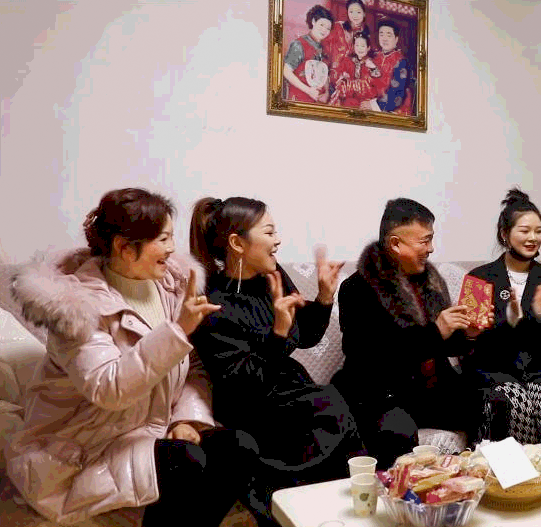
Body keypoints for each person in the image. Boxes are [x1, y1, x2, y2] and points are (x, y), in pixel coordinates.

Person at [4, 188, 258, 526]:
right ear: (125, 248)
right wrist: (178, 331)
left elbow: (192, 368)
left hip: (149, 432)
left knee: (239, 447)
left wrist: (185, 421)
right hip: (83, 450)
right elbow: (108, 388)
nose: (172, 248)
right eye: (163, 239)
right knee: (184, 463)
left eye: (172, 237)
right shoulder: (76, 309)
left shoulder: (170, 287)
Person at [188, 197, 365, 524]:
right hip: (251, 405)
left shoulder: (273, 276)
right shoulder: (213, 305)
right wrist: (278, 334)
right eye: (269, 232)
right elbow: (241, 384)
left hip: (286, 389)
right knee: (327, 405)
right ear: (237, 243)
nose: (278, 240)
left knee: (332, 402)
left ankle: (350, 511)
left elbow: (305, 335)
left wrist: (325, 296)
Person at [332, 198, 489, 467]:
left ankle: (478, 478)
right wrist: (436, 331)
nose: (431, 248)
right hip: (381, 393)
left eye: (431, 239)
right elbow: (370, 355)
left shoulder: (428, 283)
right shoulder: (357, 289)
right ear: (396, 244)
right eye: (424, 241)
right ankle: (396, 491)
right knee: (396, 428)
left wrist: (469, 333)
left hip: (428, 390)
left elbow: (444, 343)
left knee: (490, 401)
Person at [464, 189, 541, 443]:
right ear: (505, 234)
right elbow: (472, 340)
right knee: (516, 403)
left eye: (538, 231)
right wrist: (509, 321)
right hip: (494, 372)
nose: (533, 238)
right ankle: (519, 468)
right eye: (525, 231)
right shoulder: (479, 279)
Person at [283, 5, 333, 103]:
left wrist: (327, 93)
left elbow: (325, 73)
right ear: (313, 21)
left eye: (328, 28)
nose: (324, 30)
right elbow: (286, 71)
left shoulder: (325, 48)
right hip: (300, 98)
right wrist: (308, 91)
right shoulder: (299, 44)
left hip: (319, 100)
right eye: (321, 25)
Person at [366, 19, 412, 114]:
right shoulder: (374, 57)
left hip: (393, 108)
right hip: (371, 102)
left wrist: (374, 105)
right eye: (381, 35)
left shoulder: (401, 62)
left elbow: (397, 94)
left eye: (389, 35)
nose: (384, 39)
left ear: (396, 39)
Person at [329, 32, 382, 108]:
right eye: (357, 45)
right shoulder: (347, 61)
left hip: (365, 102)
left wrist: (373, 68)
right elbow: (340, 84)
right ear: (353, 46)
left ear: (368, 48)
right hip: (347, 100)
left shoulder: (372, 63)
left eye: (362, 46)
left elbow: (374, 87)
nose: (359, 48)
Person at [322, 0, 370, 80]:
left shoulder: (366, 33)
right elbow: (324, 47)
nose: (355, 16)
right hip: (331, 74)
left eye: (358, 12)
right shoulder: (337, 27)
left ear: (364, 13)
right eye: (351, 12)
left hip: (352, 78)